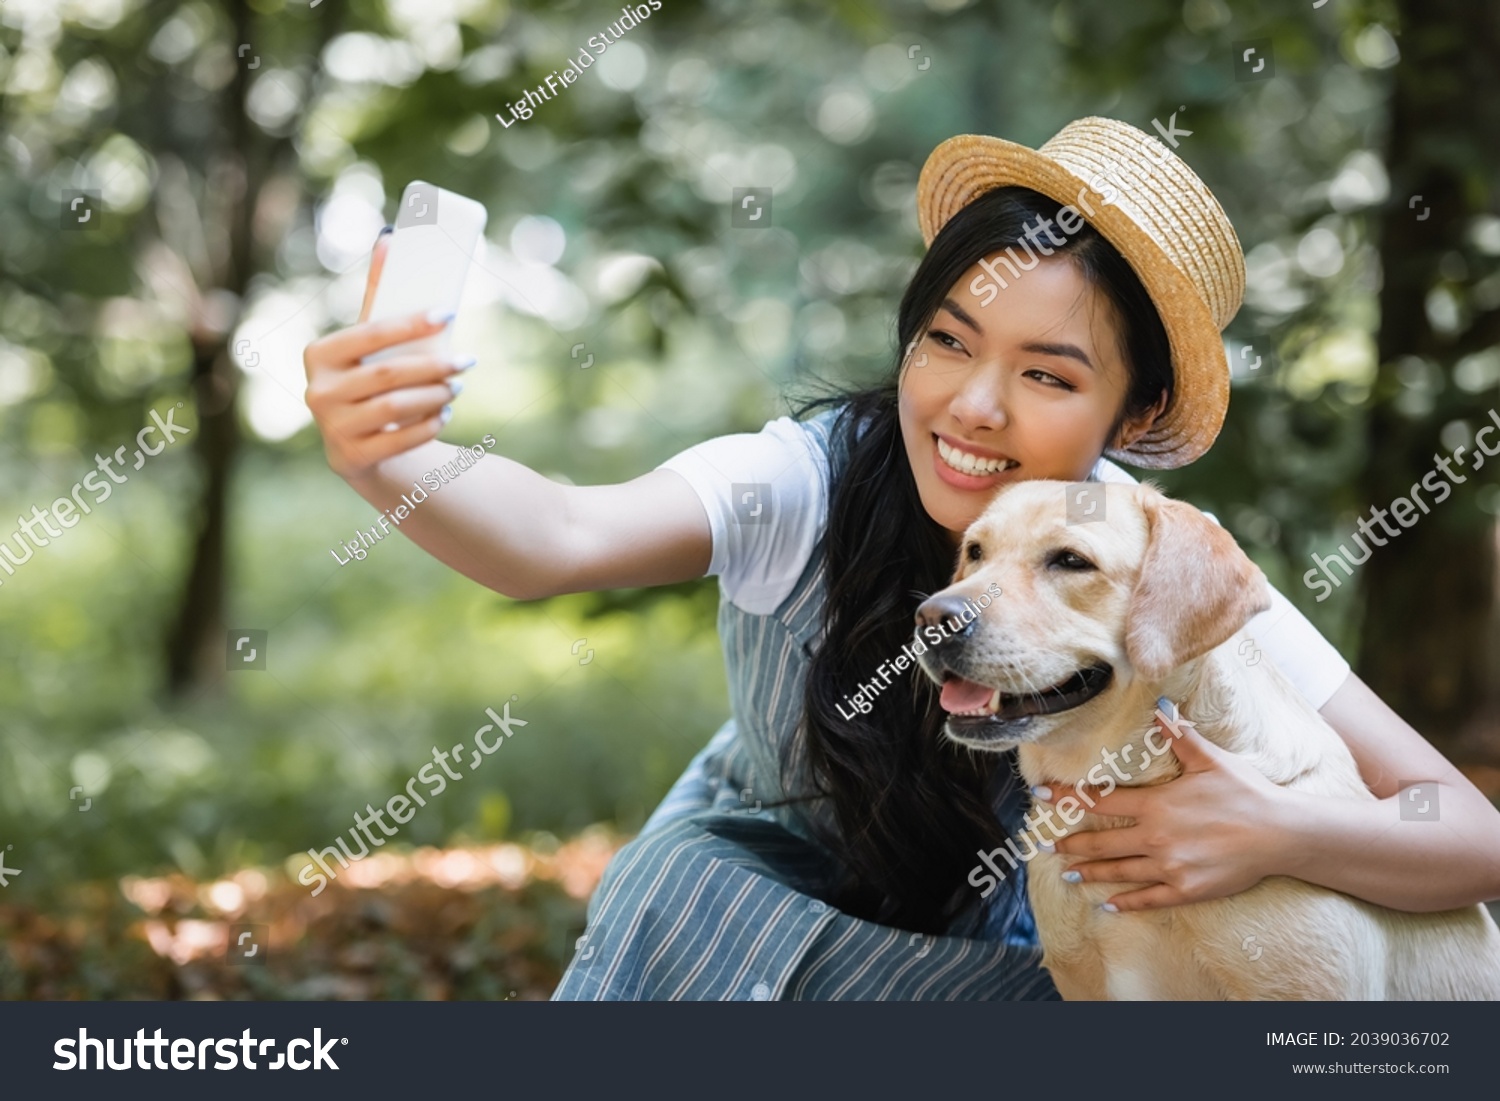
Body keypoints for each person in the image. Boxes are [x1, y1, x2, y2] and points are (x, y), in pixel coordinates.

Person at [302, 117, 1500, 1000]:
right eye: (947, 340)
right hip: (749, 924)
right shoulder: (811, 475)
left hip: (1009, 965)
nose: (974, 407)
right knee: (682, 887)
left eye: (1048, 374)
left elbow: (1469, 835)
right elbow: (558, 536)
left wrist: (1283, 834)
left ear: (1131, 423)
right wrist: (389, 464)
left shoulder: (1154, 562)